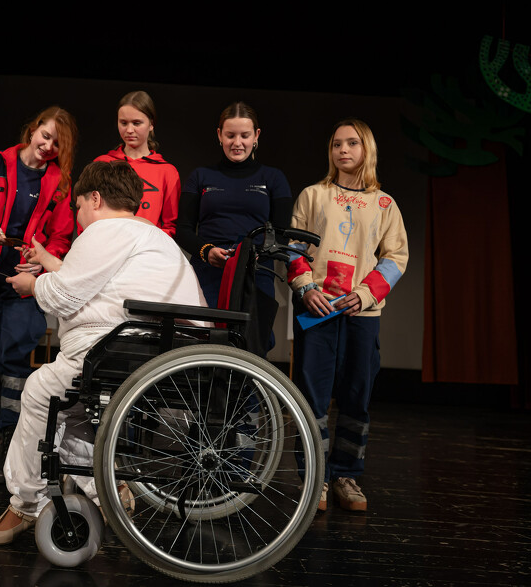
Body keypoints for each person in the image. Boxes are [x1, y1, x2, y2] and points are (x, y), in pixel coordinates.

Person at [0, 161, 206, 545]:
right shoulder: (154, 237)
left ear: (95, 199)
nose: (78, 217)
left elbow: (64, 296)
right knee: (75, 417)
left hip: (123, 351)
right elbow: (97, 283)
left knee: (40, 392)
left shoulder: (105, 230)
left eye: (78, 207)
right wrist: (48, 263)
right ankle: (106, 495)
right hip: (166, 352)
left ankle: (24, 507)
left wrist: (34, 284)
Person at [288, 118, 408, 513]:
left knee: (357, 395)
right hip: (318, 309)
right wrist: (306, 287)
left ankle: (345, 475)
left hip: (361, 312)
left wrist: (364, 294)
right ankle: (315, 480)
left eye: (352, 143)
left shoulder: (385, 204)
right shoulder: (312, 195)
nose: (343, 150)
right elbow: (293, 247)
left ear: (366, 149)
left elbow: (396, 257)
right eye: (337, 143)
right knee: (313, 397)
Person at [0, 106, 77, 477]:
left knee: (16, 368)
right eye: (46, 135)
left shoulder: (60, 183)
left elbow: (60, 236)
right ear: (33, 129)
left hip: (22, 287)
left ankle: (10, 446)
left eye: (57, 142)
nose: (48, 145)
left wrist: (41, 262)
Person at [175, 101, 293, 312]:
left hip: (257, 271)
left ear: (256, 135)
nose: (237, 143)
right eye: (230, 135)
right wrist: (207, 251)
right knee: (204, 338)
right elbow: (183, 229)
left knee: (251, 342)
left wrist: (255, 255)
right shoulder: (200, 176)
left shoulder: (274, 178)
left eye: (244, 135)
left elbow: (281, 233)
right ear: (219, 135)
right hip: (208, 270)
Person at [91, 90, 180, 236]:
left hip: (147, 252)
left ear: (151, 124)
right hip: (107, 248)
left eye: (136, 123)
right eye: (123, 123)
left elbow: (170, 226)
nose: (129, 130)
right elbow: (87, 213)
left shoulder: (167, 171)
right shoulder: (102, 164)